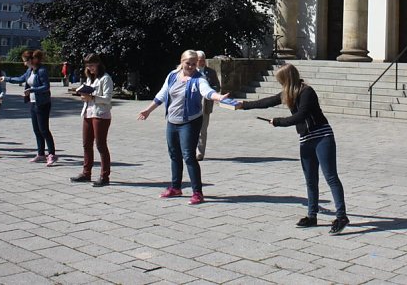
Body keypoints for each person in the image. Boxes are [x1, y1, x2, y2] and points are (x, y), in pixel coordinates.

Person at [234, 63, 351, 235]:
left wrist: (278, 122)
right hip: (306, 139)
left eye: (280, 80)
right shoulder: (288, 93)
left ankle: (341, 216)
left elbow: (300, 116)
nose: (280, 84)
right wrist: (243, 105)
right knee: (310, 179)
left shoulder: (307, 92)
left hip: (322, 137)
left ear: (286, 79)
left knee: (330, 177)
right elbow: (266, 102)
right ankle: (312, 216)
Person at [137, 49, 228, 205]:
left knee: (189, 156)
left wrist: (219, 97)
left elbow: (207, 92)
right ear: (182, 61)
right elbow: (162, 94)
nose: (191, 66)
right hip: (172, 121)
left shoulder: (199, 79)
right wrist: (148, 110)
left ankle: (197, 192)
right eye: (188, 63)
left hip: (190, 121)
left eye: (194, 64)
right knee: (174, 154)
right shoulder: (172, 75)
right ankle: (176, 187)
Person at [6, 50, 58, 165]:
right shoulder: (30, 71)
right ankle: (40, 154)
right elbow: (20, 79)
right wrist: (5, 79)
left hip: (43, 103)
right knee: (36, 129)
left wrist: (32, 90)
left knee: (44, 129)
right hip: (34, 103)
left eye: (25, 61)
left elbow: (46, 86)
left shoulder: (41, 71)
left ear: (30, 60)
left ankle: (52, 154)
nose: (24, 64)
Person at [70, 53, 113, 187]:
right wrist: (84, 95)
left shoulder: (106, 78)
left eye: (92, 65)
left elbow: (107, 99)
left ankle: (104, 176)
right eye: (88, 66)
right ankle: (86, 173)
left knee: (100, 145)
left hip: (101, 114)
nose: (90, 68)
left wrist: (92, 97)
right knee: (86, 144)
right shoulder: (89, 78)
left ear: (98, 64)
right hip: (88, 113)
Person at [195, 50, 220, 161]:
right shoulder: (191, 72)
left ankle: (199, 153)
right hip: (193, 104)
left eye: (203, 60)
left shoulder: (210, 72)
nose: (202, 62)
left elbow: (217, 86)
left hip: (205, 104)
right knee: (191, 129)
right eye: (200, 60)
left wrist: (210, 92)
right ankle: (190, 150)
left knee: (202, 130)